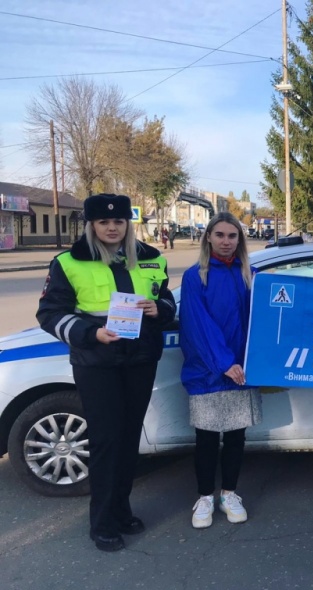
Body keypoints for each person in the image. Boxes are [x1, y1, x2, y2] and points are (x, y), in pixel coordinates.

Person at [36, 193, 175, 552]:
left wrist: (158, 309)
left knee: (130, 440)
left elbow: (168, 300)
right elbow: (50, 314)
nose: (112, 228)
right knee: (105, 441)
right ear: (91, 225)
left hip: (141, 359)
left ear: (128, 223)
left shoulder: (151, 257)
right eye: (103, 222)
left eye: (118, 222)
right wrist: (90, 333)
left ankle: (122, 509)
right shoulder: (68, 262)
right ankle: (101, 522)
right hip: (97, 363)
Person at [179, 212, 261, 530]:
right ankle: (204, 497)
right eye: (220, 235)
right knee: (207, 438)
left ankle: (229, 493)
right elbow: (198, 326)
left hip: (241, 370)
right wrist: (225, 363)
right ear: (209, 237)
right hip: (209, 371)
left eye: (232, 236)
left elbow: (266, 319)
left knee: (237, 436)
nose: (226, 241)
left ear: (240, 240)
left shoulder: (249, 275)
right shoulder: (195, 276)